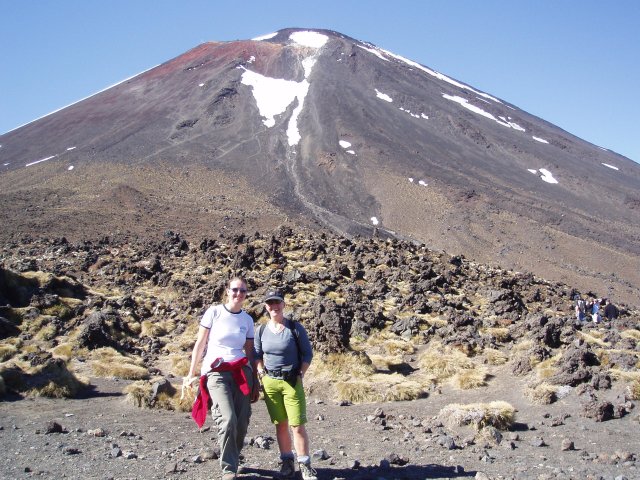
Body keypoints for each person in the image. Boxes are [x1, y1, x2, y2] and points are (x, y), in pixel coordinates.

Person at [187, 277, 260, 480]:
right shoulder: (214, 312)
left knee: (243, 420)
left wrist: (255, 380)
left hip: (241, 372)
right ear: (227, 291)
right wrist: (191, 372)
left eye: (243, 291)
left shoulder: (247, 319)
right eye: (235, 289)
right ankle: (229, 469)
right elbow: (200, 343)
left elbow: (249, 351)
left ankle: (233, 458)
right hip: (216, 371)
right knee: (228, 420)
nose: (239, 294)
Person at [255, 289, 317, 480]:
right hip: (271, 383)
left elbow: (307, 354)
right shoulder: (262, 330)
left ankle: (305, 465)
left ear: (284, 304)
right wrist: (261, 372)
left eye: (277, 302)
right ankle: (287, 462)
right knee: (280, 425)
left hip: (291, 382)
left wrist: (301, 373)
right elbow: (256, 355)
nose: (274, 306)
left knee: (297, 425)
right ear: (266, 307)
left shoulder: (295, 328)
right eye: (270, 303)